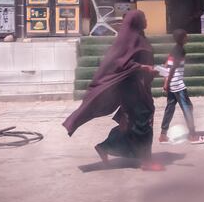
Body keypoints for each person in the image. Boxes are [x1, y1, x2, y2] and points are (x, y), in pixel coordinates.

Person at [63, 10, 164, 171]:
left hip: (139, 86)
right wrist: (143, 67)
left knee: (133, 123)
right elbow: (119, 63)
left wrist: (150, 69)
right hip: (133, 89)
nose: (146, 21)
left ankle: (106, 147)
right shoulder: (128, 40)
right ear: (136, 21)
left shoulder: (140, 37)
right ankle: (146, 161)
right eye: (143, 18)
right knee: (143, 122)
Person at [159, 29, 204, 144]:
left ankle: (163, 135)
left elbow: (166, 65)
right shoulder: (180, 50)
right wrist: (166, 83)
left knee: (170, 108)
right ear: (182, 38)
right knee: (188, 108)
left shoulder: (174, 49)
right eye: (186, 36)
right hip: (177, 84)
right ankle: (193, 136)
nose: (188, 37)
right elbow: (173, 67)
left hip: (171, 84)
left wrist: (165, 82)